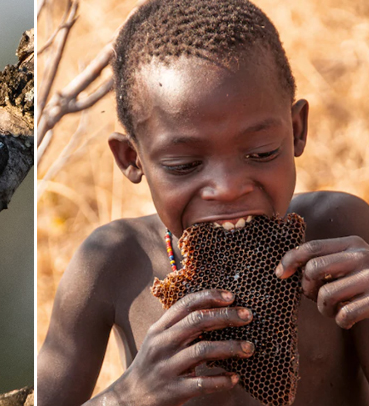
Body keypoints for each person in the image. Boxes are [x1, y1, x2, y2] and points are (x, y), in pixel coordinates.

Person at [37, 0, 369, 404]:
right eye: (185, 164)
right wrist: (127, 396)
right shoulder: (112, 265)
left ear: (296, 131)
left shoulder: (345, 233)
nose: (227, 188)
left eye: (261, 153)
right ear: (132, 160)